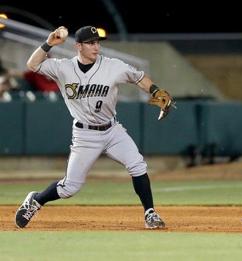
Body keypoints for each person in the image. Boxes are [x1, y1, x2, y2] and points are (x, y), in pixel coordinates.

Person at [15, 25, 173, 229]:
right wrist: (49, 43)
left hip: (112, 130)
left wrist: (156, 91)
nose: (96, 47)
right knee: (69, 188)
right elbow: (32, 64)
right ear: (78, 46)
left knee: (137, 165)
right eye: (90, 43)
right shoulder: (63, 67)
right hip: (84, 134)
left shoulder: (113, 66)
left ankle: (150, 213)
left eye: (97, 42)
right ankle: (36, 200)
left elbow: (139, 77)